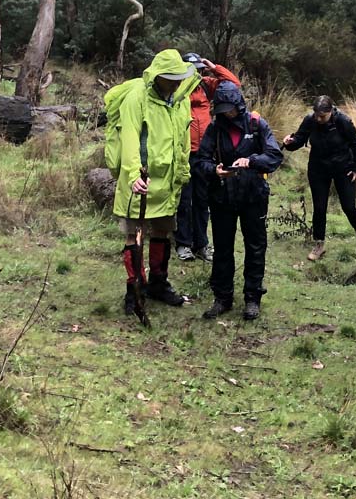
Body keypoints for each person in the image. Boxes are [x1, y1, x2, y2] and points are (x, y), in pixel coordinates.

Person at [108, 49, 199, 315]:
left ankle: (158, 284)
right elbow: (130, 138)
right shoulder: (137, 98)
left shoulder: (180, 99)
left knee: (162, 231)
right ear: (158, 75)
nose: (177, 83)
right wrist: (133, 175)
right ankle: (134, 288)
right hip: (140, 181)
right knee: (133, 234)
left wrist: (182, 172)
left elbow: (183, 138)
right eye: (172, 78)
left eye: (179, 78)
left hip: (167, 183)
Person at [196, 81, 283, 321]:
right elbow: (200, 161)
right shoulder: (214, 129)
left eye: (230, 109)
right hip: (222, 196)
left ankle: (252, 298)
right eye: (222, 110)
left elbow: (274, 156)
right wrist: (214, 170)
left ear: (238, 104)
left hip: (253, 196)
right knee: (223, 247)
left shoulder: (256, 124)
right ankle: (222, 298)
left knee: (255, 246)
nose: (227, 114)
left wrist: (252, 161)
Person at [283, 96, 356, 262]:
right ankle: (319, 244)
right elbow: (299, 140)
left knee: (349, 207)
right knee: (319, 207)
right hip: (318, 168)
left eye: (322, 116)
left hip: (343, 167)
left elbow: (355, 142)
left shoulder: (343, 121)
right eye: (316, 115)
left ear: (331, 111)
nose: (319, 119)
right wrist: (290, 142)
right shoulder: (310, 120)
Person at [174, 53, 240, 263]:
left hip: (205, 154)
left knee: (203, 200)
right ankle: (183, 243)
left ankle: (201, 244)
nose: (196, 73)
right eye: (192, 69)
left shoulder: (206, 85)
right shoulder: (176, 88)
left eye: (199, 69)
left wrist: (214, 68)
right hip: (183, 153)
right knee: (184, 200)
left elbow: (233, 86)